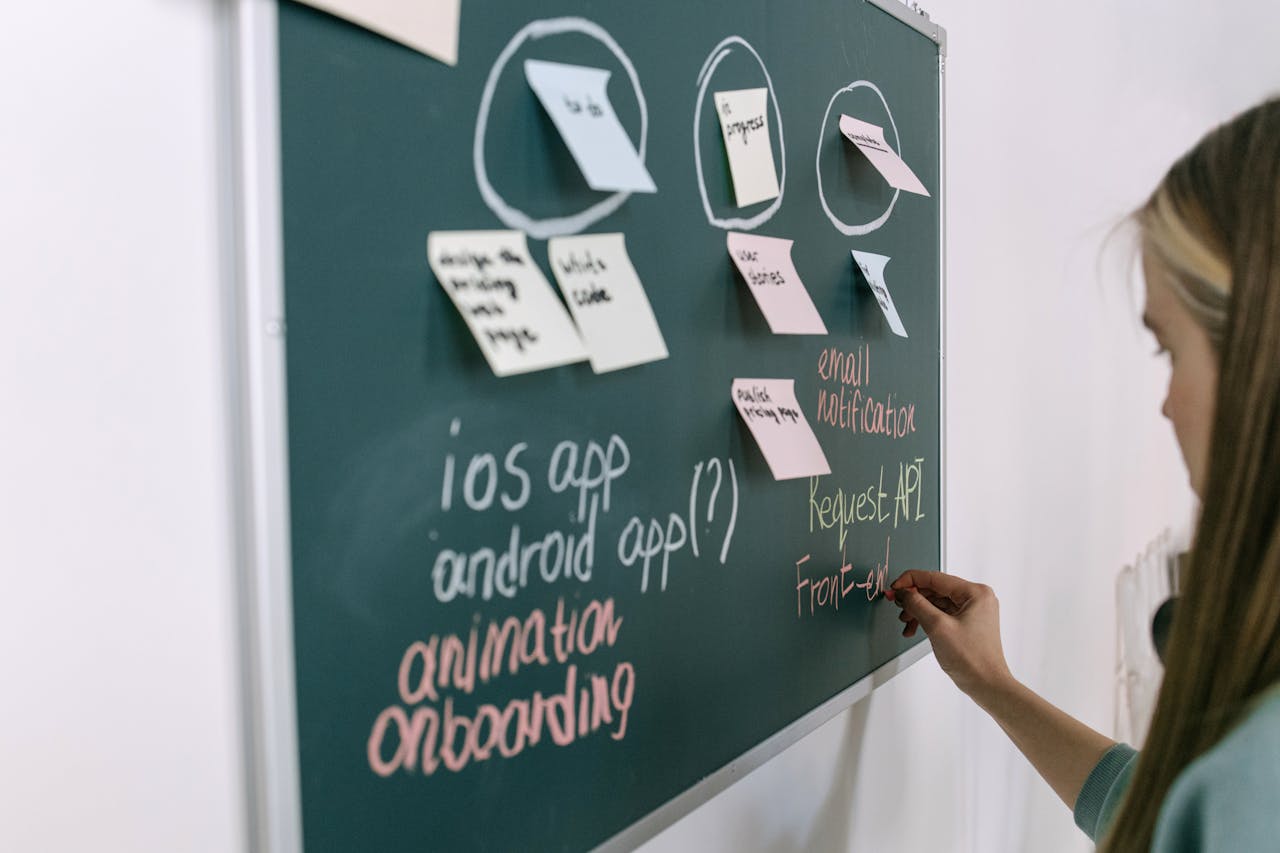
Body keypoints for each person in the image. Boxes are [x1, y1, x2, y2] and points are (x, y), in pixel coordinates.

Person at [888, 97, 1280, 851]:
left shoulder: (1252, 788)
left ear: (1256, 360)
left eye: (1169, 350)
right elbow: (1165, 814)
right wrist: (995, 686)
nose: (1165, 402)